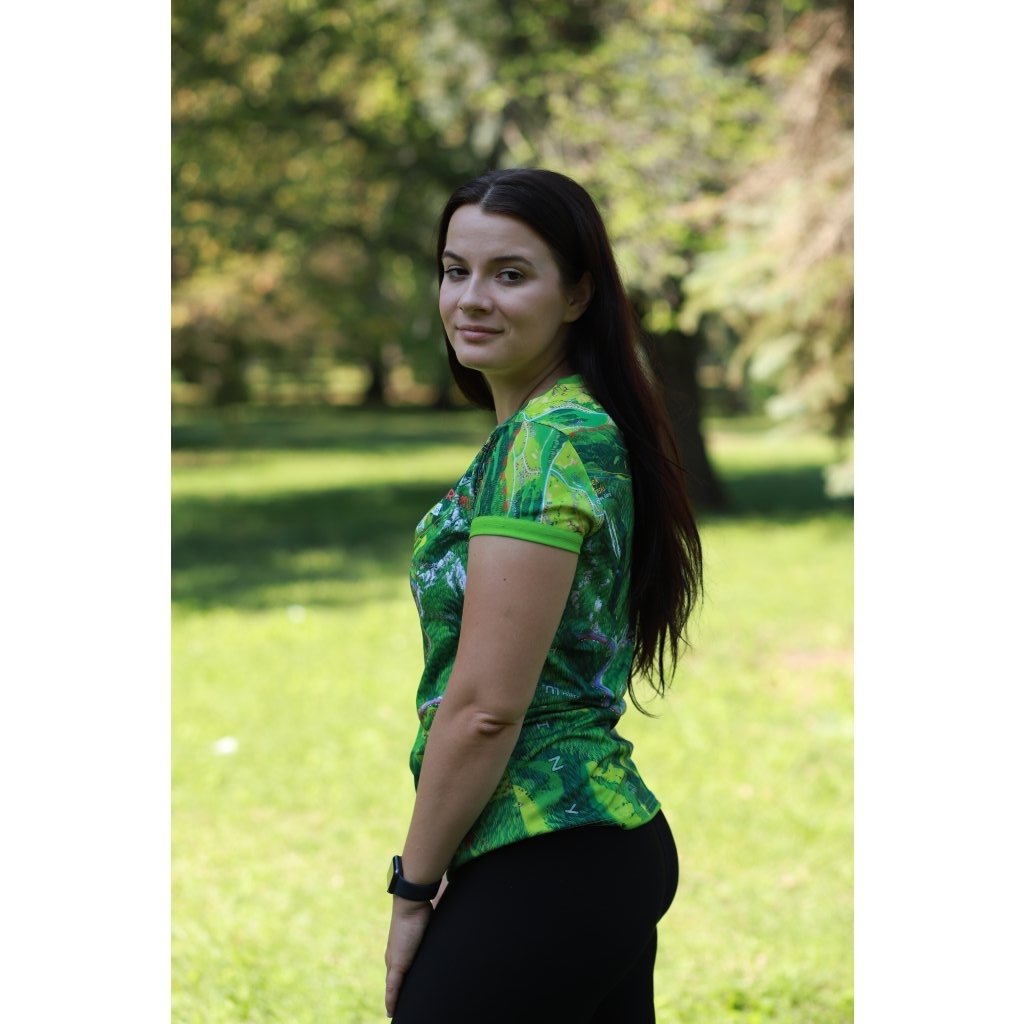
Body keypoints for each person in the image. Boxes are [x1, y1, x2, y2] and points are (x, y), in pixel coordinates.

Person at [384, 168, 703, 1023]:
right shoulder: (582, 424)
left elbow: (486, 708)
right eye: (456, 270)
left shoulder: (545, 443)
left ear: (577, 294)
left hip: (553, 854)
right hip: (589, 849)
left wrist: (413, 886)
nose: (471, 299)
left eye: (511, 274)